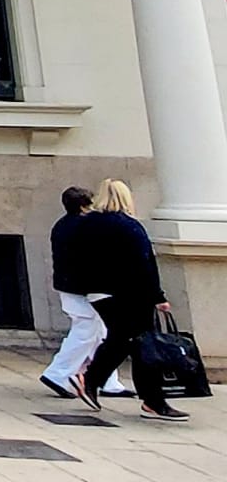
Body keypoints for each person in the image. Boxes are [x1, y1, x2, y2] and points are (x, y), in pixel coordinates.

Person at [75, 179, 187, 423]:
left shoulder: (85, 225)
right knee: (141, 345)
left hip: (98, 292)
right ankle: (153, 400)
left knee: (121, 340)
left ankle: (93, 379)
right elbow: (145, 264)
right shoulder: (130, 227)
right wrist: (158, 297)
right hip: (129, 294)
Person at [41, 185, 127, 399]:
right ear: (83, 206)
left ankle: (107, 380)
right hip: (83, 288)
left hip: (72, 286)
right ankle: (58, 374)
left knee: (99, 333)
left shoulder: (63, 225)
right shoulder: (83, 226)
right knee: (86, 332)